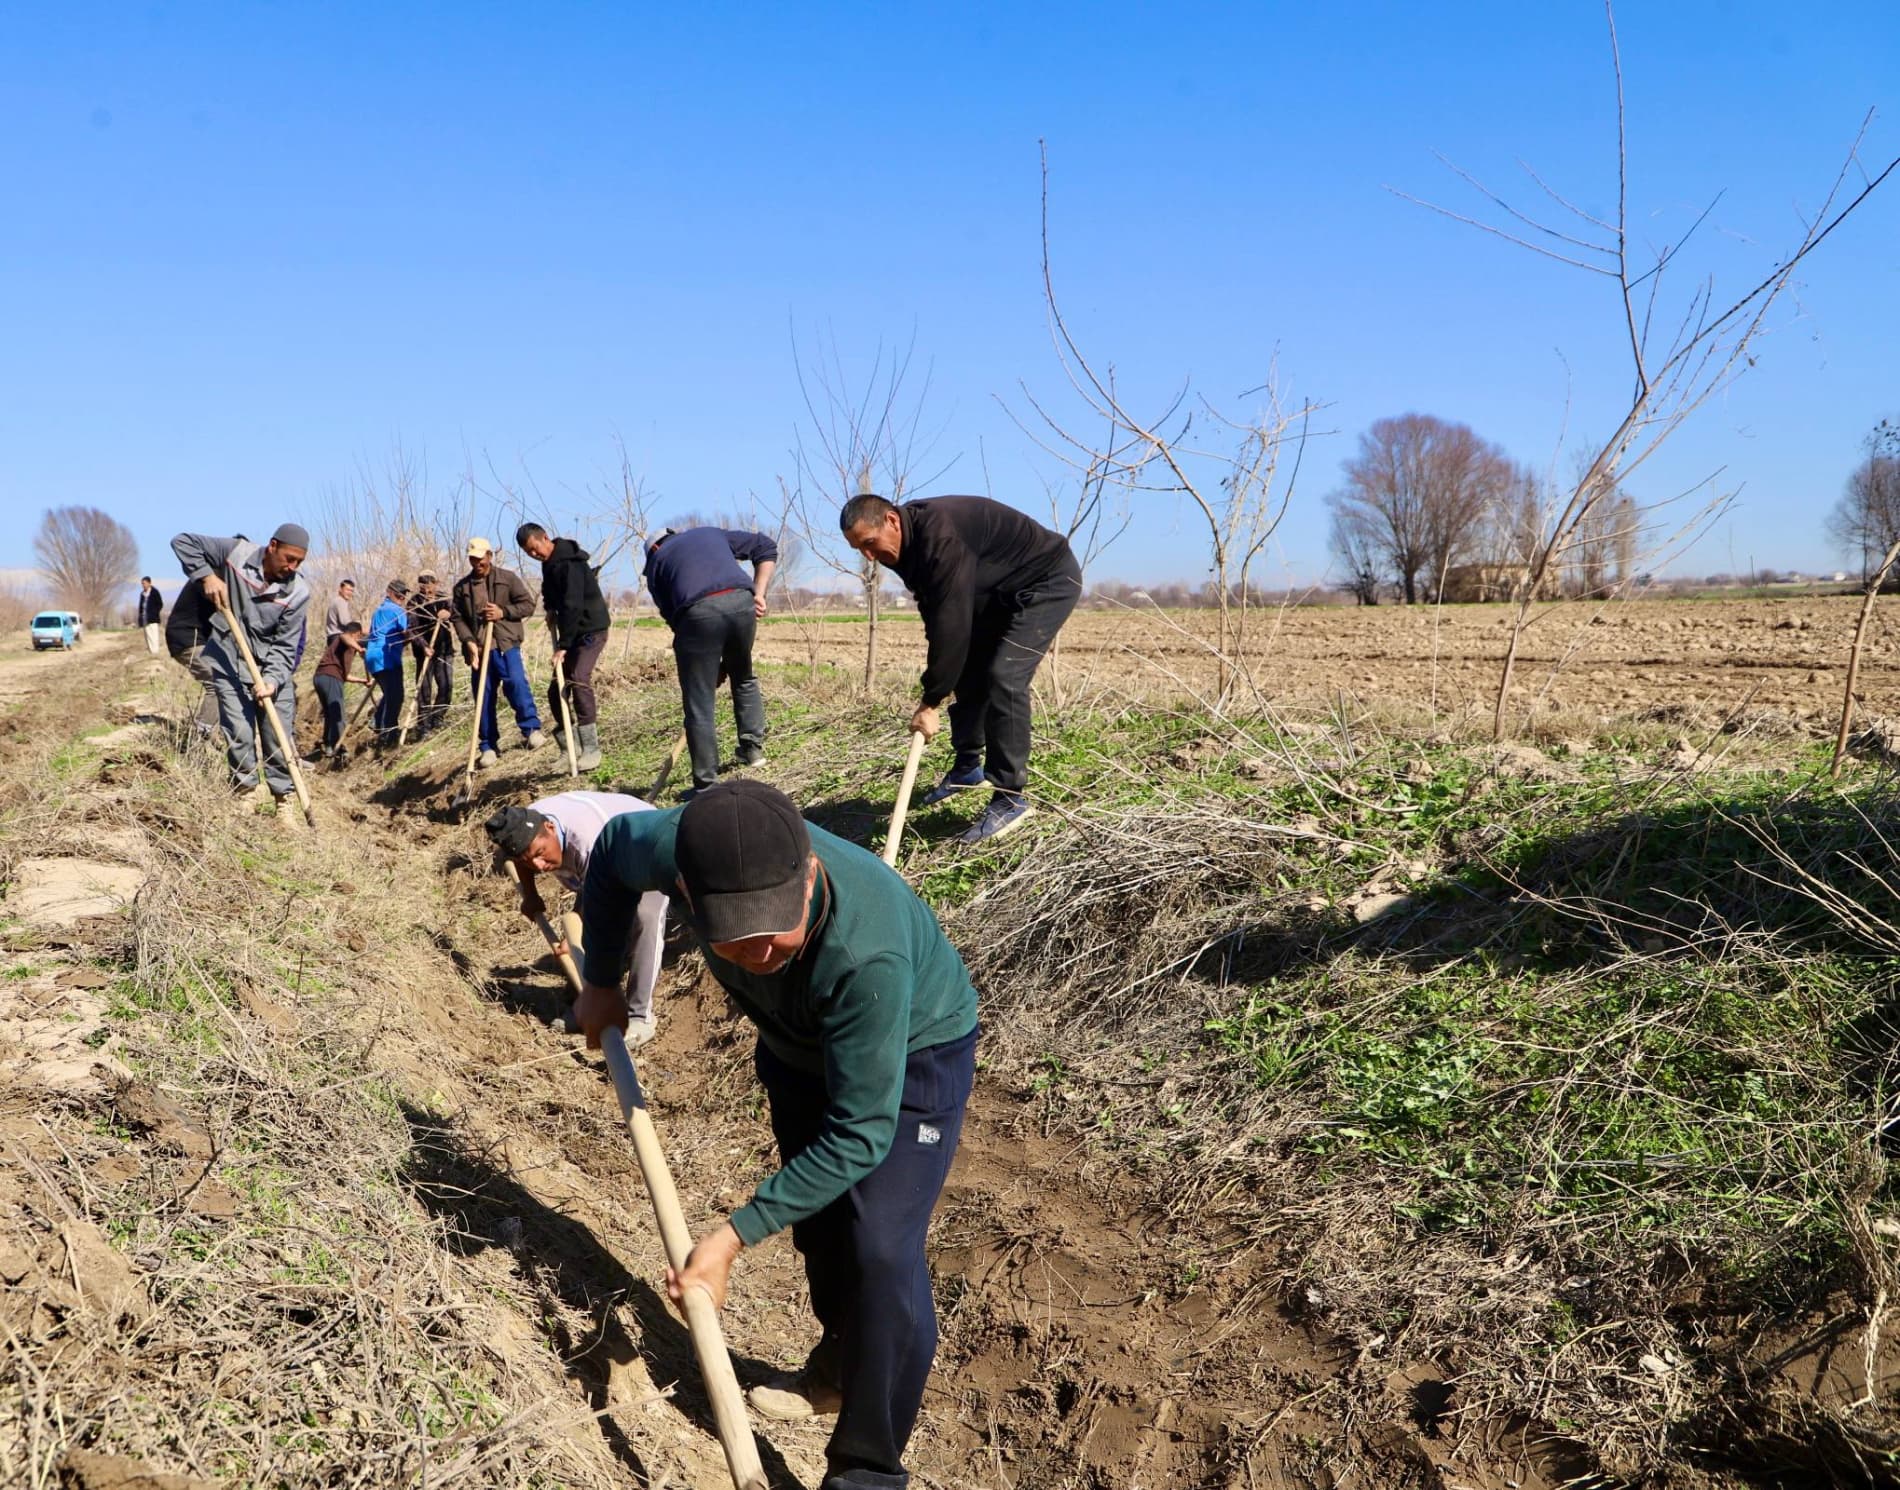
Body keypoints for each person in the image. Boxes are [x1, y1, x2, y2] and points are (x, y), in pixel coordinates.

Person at [573, 780, 978, 1490]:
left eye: (774, 929)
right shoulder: (676, 846)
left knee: (881, 1250)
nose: (759, 951)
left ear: (811, 873)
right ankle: (834, 1372)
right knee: (820, 1224)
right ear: (689, 896)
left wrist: (731, 1237)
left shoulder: (864, 952)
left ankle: (866, 1472)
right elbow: (609, 852)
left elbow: (860, 1132)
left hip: (913, 1050)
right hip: (796, 1049)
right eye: (736, 936)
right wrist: (604, 980)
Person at [841, 494, 1081, 844]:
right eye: (859, 549)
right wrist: (941, 677)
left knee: (1005, 676)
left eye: (869, 543)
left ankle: (1010, 798)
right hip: (999, 592)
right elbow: (936, 614)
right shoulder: (903, 548)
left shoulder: (940, 535)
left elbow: (951, 622)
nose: (868, 556)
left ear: (891, 521)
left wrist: (931, 701)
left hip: (1047, 579)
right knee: (967, 665)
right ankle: (968, 768)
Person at [484, 792, 666, 1044]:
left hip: (644, 845)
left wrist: (577, 936)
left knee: (645, 919)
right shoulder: (523, 828)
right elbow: (520, 859)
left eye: (540, 852)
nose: (538, 865)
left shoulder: (588, 840)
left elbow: (604, 905)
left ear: (549, 827)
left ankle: (639, 1014)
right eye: (529, 859)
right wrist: (531, 895)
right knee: (583, 932)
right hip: (596, 868)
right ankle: (583, 1004)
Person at [169, 525, 314, 827]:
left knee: (278, 736)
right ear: (272, 546)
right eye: (289, 558)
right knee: (239, 731)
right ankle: (245, 792)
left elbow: (287, 646)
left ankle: (283, 801)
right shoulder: (235, 553)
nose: (293, 567)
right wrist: (207, 576)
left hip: (270, 666)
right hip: (229, 658)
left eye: (299, 562)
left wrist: (272, 679)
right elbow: (183, 541)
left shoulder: (298, 592)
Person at [642, 525, 776, 798]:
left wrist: (701, 668)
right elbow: (766, 546)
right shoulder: (710, 533)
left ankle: (706, 785)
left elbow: (675, 620)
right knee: (743, 674)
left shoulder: (657, 564)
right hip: (742, 601)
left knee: (699, 702)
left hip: (697, 613)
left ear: (654, 549)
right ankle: (753, 751)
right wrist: (759, 592)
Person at [517, 522, 611, 771]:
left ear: (545, 538)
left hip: (591, 630)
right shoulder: (549, 563)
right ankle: (570, 748)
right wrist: (548, 608)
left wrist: (564, 646)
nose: (534, 554)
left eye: (535, 548)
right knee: (555, 691)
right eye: (529, 553)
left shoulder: (570, 563)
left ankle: (591, 748)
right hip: (573, 633)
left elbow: (572, 605)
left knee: (578, 678)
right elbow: (549, 591)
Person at [451, 538, 545, 766]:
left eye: (480, 558)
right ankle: (488, 746)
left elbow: (527, 605)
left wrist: (503, 612)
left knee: (516, 683)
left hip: (505, 644)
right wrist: (468, 641)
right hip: (480, 651)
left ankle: (531, 729)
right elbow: (457, 618)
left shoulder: (507, 578)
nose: (477, 563)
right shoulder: (462, 588)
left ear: (489, 556)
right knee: (483, 696)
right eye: (473, 558)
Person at [308, 621, 369, 762]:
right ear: (356, 634)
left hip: (322, 678)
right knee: (338, 714)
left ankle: (329, 744)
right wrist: (359, 649)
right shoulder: (343, 639)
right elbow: (344, 636)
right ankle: (338, 747)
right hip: (329, 677)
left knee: (330, 714)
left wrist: (363, 681)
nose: (359, 641)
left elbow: (345, 676)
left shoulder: (345, 651)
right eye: (359, 637)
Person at [407, 571, 455, 735]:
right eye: (423, 585)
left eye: (430, 585)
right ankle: (424, 726)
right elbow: (411, 629)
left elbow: (456, 613)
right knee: (424, 690)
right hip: (424, 653)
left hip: (444, 650)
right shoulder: (414, 602)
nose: (427, 590)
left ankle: (438, 718)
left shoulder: (444, 599)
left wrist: (448, 613)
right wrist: (424, 646)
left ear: (436, 583)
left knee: (446, 685)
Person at [364, 578, 411, 747]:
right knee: (396, 696)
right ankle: (390, 735)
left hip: (372, 658)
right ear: (390, 593)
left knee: (389, 693)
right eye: (399, 594)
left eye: (404, 595)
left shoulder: (378, 611)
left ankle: (377, 721)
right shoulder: (397, 611)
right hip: (387, 658)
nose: (402, 598)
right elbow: (407, 633)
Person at [136, 577, 164, 655]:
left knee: (154, 635)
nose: (143, 585)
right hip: (145, 618)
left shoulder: (155, 592)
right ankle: (151, 651)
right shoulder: (142, 594)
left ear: (149, 583)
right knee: (147, 636)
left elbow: (160, 604)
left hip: (153, 618)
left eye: (144, 583)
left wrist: (154, 613)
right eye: (142, 583)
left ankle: (155, 652)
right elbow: (141, 607)